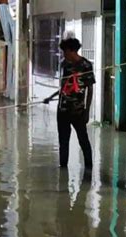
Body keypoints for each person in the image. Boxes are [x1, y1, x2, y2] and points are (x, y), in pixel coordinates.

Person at [43, 38, 95, 169]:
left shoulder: (86, 65)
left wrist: (87, 111)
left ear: (72, 50)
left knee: (84, 141)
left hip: (78, 111)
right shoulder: (64, 65)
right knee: (63, 142)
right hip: (63, 110)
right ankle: (63, 169)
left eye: (65, 51)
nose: (63, 54)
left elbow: (90, 89)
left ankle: (89, 168)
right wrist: (50, 97)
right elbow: (64, 87)